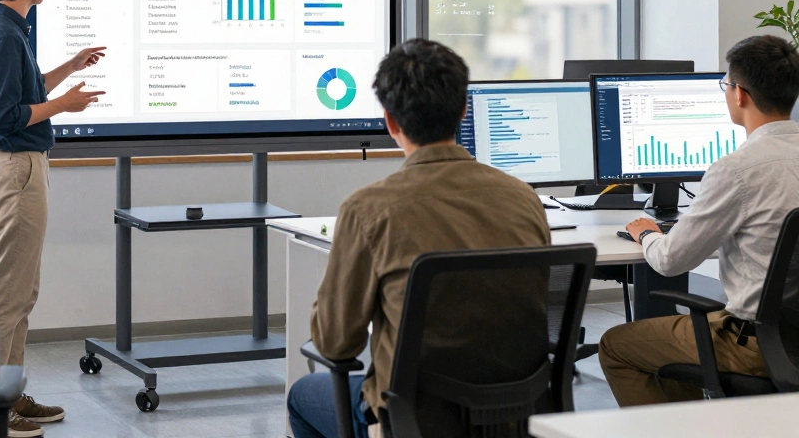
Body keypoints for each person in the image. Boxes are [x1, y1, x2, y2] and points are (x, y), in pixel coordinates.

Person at [286, 39, 551, 438]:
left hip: (414, 418)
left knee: (303, 396)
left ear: (390, 121)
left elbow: (336, 344)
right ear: (463, 110)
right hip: (515, 413)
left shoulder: (368, 209)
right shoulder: (524, 198)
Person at [600, 35, 799, 405]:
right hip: (792, 339)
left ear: (739, 94)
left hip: (757, 347)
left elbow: (671, 260)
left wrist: (647, 234)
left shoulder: (737, 171)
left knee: (616, 346)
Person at [0, 0, 105, 436]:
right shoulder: (5, 35)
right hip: (16, 169)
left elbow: (25, 91)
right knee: (9, 292)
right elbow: (9, 116)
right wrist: (64, 107)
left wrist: (70, 67)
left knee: (22, 291)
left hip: (22, 167)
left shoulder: (9, 28)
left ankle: (10, 393)